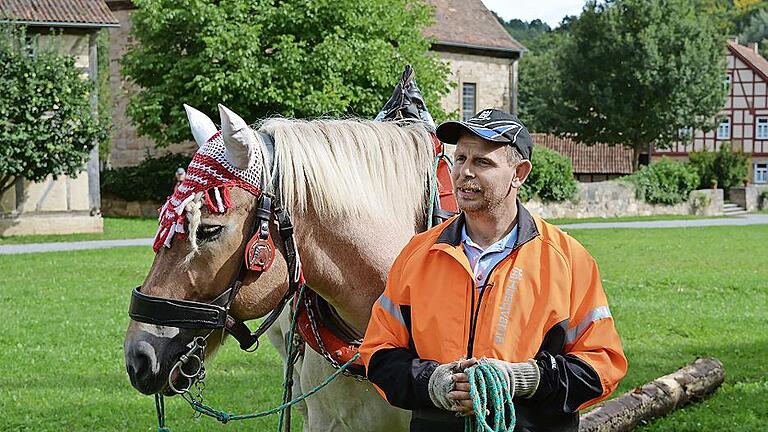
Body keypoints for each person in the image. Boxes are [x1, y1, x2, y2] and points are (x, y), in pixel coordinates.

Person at [360, 109, 627, 432]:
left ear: (519, 173)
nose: (464, 173)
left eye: (482, 162)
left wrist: (523, 379)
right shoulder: (418, 254)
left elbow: (602, 365)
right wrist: (433, 382)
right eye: (460, 159)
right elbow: (379, 354)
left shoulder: (568, 260)